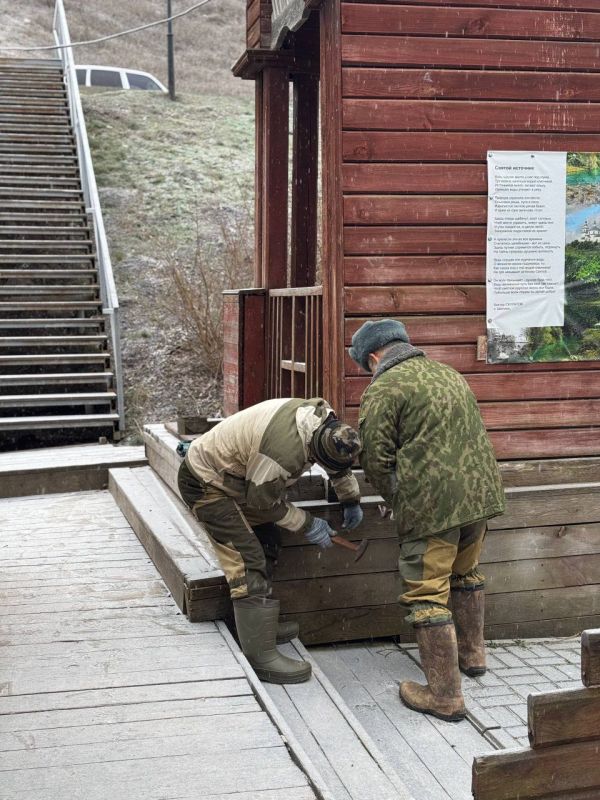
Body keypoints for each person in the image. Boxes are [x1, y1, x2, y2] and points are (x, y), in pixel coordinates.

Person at [348, 318, 505, 721]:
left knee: (426, 593)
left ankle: (444, 696)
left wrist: (399, 499)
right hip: (479, 497)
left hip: (433, 507)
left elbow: (375, 458)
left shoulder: (385, 387)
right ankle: (473, 656)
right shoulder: (448, 373)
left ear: (373, 357)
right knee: (465, 572)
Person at [178, 397, 363, 684]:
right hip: (206, 483)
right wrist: (308, 523)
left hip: (239, 479)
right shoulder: (281, 454)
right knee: (247, 557)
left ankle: (259, 628)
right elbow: (262, 503)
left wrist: (350, 498)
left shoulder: (326, 424)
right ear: (315, 448)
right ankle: (259, 656)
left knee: (268, 539)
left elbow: (337, 465)